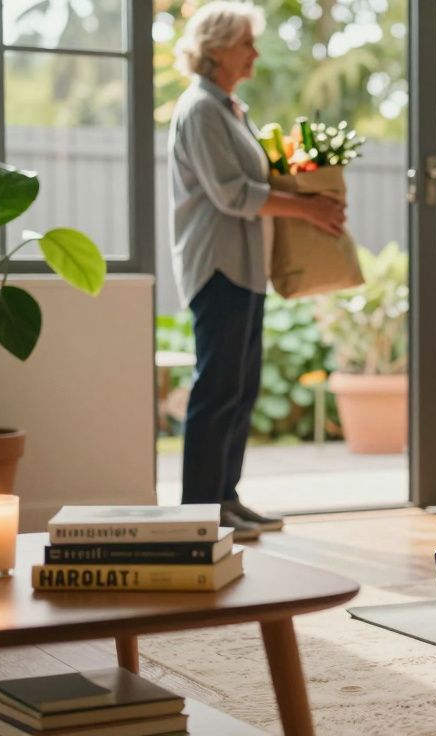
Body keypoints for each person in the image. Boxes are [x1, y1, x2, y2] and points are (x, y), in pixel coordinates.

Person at [169, 2, 346, 540]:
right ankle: (199, 511)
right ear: (219, 48)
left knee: (241, 388)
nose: (255, 53)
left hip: (245, 269)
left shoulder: (229, 109)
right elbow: (232, 194)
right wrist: (309, 208)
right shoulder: (200, 109)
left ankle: (226, 497)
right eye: (247, 42)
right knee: (217, 388)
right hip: (217, 267)